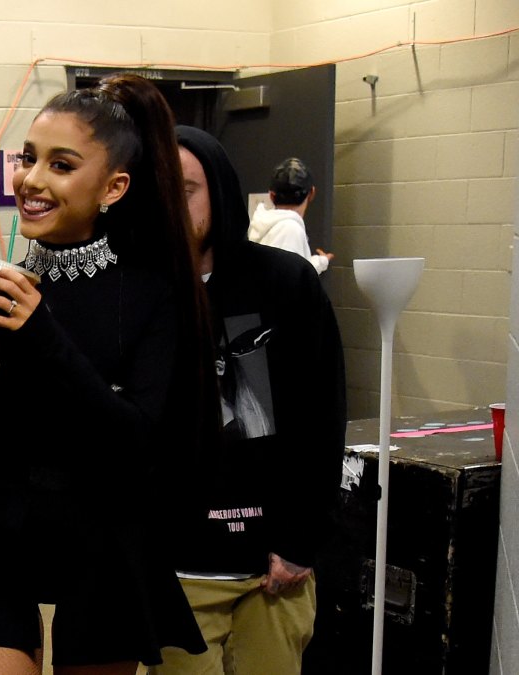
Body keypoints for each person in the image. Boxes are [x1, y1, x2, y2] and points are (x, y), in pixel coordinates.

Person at [0, 74, 213, 674]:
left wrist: (42, 335)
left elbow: (135, 436)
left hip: (104, 533)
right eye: (29, 158)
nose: (31, 179)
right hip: (1, 524)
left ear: (114, 186)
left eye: (61, 164)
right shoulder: (0, 286)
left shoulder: (153, 292)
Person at [151, 127, 347, 675]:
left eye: (186, 188)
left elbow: (322, 415)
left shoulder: (285, 281)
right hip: (179, 572)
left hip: (272, 572)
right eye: (158, 188)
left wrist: (304, 541)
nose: (170, 202)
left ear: (218, 188)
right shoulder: (141, 292)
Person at [247, 157, 334, 274]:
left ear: (271, 196)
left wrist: (320, 262)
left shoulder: (262, 225)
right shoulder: (291, 230)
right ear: (312, 193)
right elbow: (289, 281)